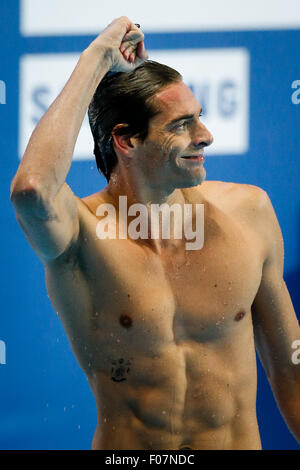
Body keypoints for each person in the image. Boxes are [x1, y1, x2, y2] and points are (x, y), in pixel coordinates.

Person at [10, 17, 300, 450]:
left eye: (199, 118)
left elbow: (291, 370)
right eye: (182, 125)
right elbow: (32, 189)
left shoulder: (249, 214)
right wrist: (96, 59)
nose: (205, 136)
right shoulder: (81, 236)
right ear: (125, 141)